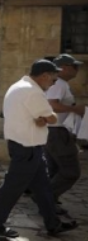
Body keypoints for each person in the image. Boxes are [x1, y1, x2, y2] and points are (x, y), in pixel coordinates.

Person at [0, 60, 79, 238]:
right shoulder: (33, 92)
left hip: (25, 146)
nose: (53, 84)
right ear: (44, 76)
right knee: (12, 188)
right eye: (53, 80)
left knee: (43, 188)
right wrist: (47, 118)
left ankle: (53, 224)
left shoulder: (17, 86)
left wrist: (44, 118)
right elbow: (53, 118)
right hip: (27, 148)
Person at [45, 53, 85, 210]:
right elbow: (52, 105)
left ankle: (48, 201)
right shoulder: (59, 84)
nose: (77, 70)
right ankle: (46, 198)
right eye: (75, 67)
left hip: (54, 131)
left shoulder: (58, 83)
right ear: (65, 68)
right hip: (57, 132)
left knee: (54, 169)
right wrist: (75, 109)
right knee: (70, 171)